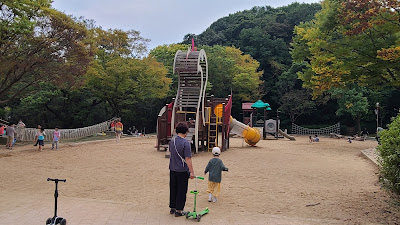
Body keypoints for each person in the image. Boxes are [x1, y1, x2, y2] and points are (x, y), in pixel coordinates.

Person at [169, 122, 195, 217]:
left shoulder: (172, 141)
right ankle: (179, 210)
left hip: (172, 168)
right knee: (181, 190)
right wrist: (191, 171)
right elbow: (188, 158)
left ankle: (173, 207)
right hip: (182, 170)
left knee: (173, 188)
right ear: (186, 132)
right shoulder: (185, 143)